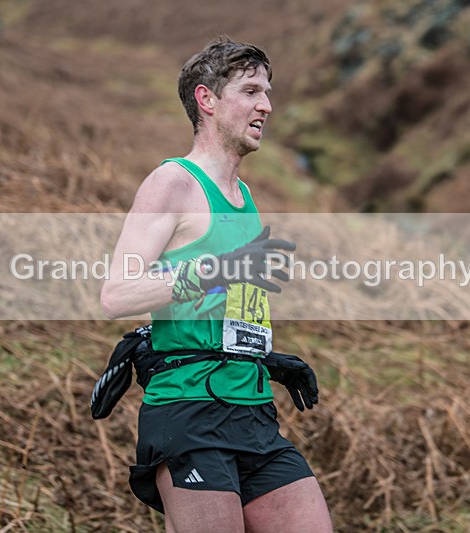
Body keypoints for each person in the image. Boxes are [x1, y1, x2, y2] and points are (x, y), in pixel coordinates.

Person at [100, 36, 333, 533]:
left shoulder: (243, 195)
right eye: (250, 91)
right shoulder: (173, 184)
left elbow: (219, 306)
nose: (266, 105)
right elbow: (117, 294)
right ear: (207, 100)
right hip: (188, 412)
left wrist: (263, 357)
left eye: (267, 92)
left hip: (252, 412)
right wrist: (218, 269)